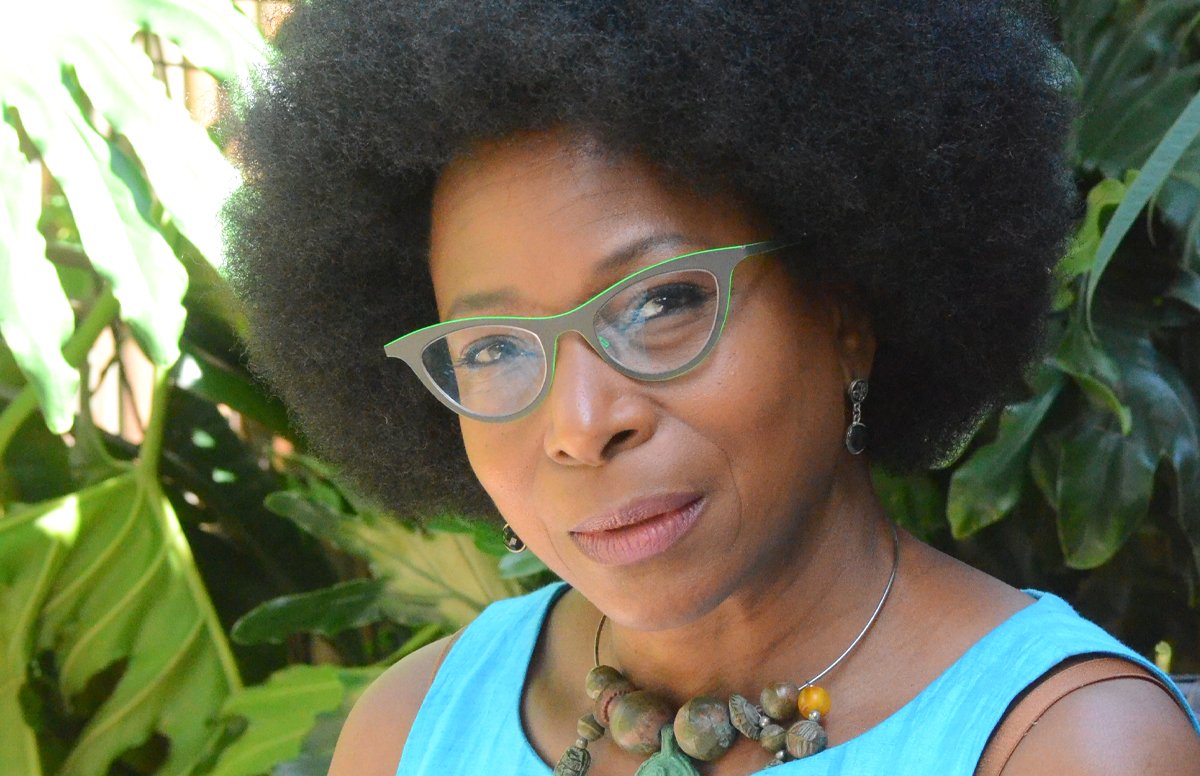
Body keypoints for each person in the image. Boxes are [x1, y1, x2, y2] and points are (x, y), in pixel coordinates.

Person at [222, 1, 1200, 773]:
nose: (580, 423)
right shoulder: (408, 733)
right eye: (491, 348)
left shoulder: (1064, 745)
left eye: (662, 302)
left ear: (847, 307)